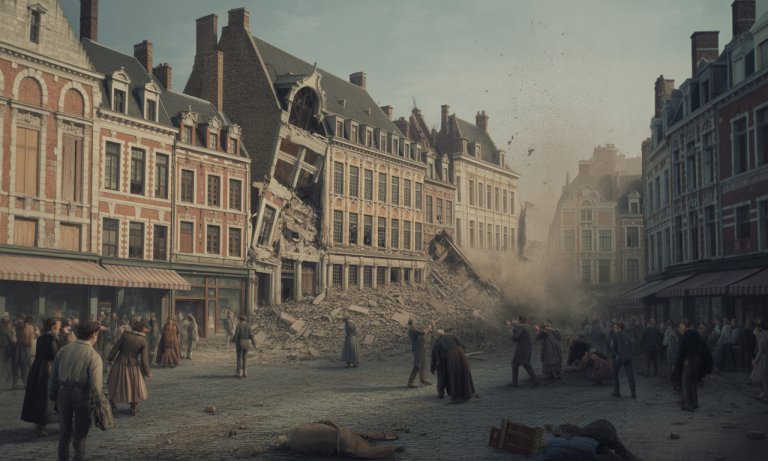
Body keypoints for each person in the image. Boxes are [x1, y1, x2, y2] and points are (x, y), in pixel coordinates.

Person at [49, 320, 106, 461]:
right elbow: (96, 387)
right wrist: (99, 406)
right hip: (82, 395)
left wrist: (53, 396)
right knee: (80, 433)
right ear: (94, 334)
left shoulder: (63, 350)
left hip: (63, 393)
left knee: (64, 432)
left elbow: (53, 378)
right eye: (97, 334)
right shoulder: (94, 356)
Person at [21, 317, 60, 436]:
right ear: (54, 327)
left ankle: (42, 422)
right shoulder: (52, 339)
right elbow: (55, 356)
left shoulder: (41, 337)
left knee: (40, 396)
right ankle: (42, 423)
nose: (59, 327)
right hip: (48, 368)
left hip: (38, 367)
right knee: (46, 397)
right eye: (58, 325)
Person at [283, 420, 404, 458]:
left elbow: (316, 452)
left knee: (364, 450)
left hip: (340, 442)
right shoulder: (298, 429)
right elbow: (324, 421)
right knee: (360, 436)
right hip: (340, 432)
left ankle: (392, 449)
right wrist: (338, 426)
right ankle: (389, 437)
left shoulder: (296, 444)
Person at [106, 320, 152, 416]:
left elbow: (116, 347)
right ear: (142, 329)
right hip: (133, 365)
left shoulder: (125, 335)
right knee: (134, 386)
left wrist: (110, 358)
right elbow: (144, 360)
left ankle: (112, 404)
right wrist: (147, 372)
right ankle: (133, 408)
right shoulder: (143, 341)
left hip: (119, 363)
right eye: (145, 329)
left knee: (115, 383)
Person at [674, 320, 711, 411]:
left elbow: (681, 352)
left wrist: (682, 362)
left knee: (685, 380)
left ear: (684, 327)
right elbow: (702, 345)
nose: (679, 329)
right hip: (698, 360)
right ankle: (695, 403)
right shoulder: (695, 333)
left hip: (690, 360)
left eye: (680, 326)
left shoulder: (685, 335)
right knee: (693, 381)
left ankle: (689, 404)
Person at [432, 329, 476, 403]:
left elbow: (439, 356)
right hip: (460, 352)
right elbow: (461, 344)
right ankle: (467, 393)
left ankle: (458, 395)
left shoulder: (437, 342)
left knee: (455, 375)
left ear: (438, 336)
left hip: (451, 356)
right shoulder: (451, 335)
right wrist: (465, 350)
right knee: (464, 372)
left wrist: (436, 365)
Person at [508, 316, 538, 387]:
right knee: (517, 364)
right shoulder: (524, 327)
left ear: (520, 321)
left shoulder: (522, 328)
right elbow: (517, 331)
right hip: (524, 348)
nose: (516, 321)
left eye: (517, 320)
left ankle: (535, 381)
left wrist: (510, 330)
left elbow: (515, 338)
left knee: (524, 364)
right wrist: (513, 327)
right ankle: (534, 381)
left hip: (522, 349)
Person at [610, 321, 636, 399]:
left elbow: (613, 349)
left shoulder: (614, 335)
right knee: (630, 376)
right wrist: (629, 354)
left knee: (614, 374)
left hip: (619, 358)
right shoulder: (627, 335)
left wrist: (614, 356)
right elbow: (632, 346)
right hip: (627, 357)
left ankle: (617, 392)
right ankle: (633, 392)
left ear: (618, 327)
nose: (613, 329)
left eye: (614, 327)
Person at [406, 319, 432, 388]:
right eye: (415, 321)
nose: (416, 322)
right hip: (418, 349)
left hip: (421, 348)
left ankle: (422, 380)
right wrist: (428, 328)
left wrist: (427, 328)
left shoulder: (413, 328)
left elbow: (421, 332)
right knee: (417, 365)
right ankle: (410, 382)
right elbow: (422, 333)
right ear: (412, 323)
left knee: (422, 365)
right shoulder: (412, 329)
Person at [13, 316, 36, 388]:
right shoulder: (17, 328)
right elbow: (15, 337)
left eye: (22, 321)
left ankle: (25, 382)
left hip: (25, 348)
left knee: (24, 366)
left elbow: (31, 338)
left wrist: (29, 344)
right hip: (19, 348)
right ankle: (16, 382)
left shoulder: (30, 328)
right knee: (16, 365)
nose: (22, 323)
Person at [751, 322, 768, 402]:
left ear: (759, 330)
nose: (754, 332)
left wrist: (755, 360)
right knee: (762, 377)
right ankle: (763, 393)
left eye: (755, 330)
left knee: (761, 377)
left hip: (763, 359)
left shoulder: (762, 339)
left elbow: (760, 352)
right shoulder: (762, 336)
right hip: (763, 358)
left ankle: (764, 393)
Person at [430, 330, 449, 399]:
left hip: (439, 364)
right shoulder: (446, 343)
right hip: (447, 363)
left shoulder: (435, 344)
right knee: (448, 377)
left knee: (440, 378)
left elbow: (433, 357)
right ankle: (450, 392)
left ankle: (440, 393)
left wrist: (432, 368)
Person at [0, 314, 16, 387]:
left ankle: (8, 379)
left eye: (6, 318)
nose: (5, 319)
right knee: (1, 364)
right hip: (1, 347)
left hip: (9, 347)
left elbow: (13, 337)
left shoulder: (11, 326)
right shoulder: (0, 326)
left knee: (8, 364)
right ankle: (2, 379)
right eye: (4, 318)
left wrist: (12, 341)